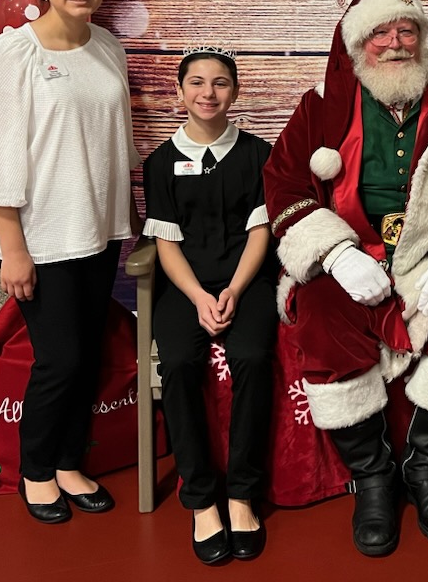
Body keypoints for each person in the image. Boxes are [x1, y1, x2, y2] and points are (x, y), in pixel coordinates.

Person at [263, 0, 428, 557]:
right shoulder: (320, 107)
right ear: (358, 45)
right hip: (352, 255)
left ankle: (425, 465)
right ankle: (373, 474)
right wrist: (335, 253)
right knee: (319, 310)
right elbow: (283, 181)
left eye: (407, 30)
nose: (396, 42)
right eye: (381, 32)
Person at [0, 0, 138, 524]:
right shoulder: (15, 53)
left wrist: (127, 221)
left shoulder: (108, 47)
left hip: (99, 231)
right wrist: (12, 248)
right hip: (42, 236)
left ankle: (68, 462)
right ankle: (35, 470)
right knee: (58, 360)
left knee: (85, 356)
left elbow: (115, 141)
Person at [141, 46, 276, 564]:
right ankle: (201, 500)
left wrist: (235, 290)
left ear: (234, 92)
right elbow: (166, 243)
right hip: (186, 286)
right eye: (196, 82)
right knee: (177, 362)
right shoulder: (161, 163)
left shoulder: (257, 154)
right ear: (180, 92)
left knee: (252, 357)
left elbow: (260, 232)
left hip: (246, 281)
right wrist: (198, 296)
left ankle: (242, 494)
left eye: (220, 83)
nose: (208, 93)